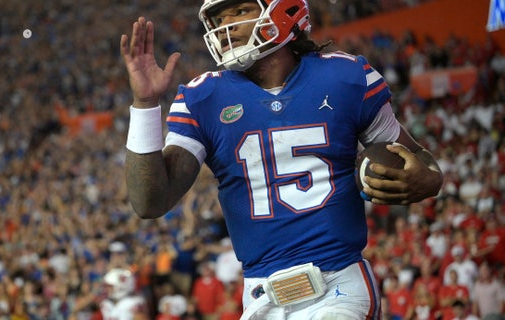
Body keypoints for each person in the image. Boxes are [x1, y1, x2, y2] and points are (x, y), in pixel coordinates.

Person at [120, 0, 443, 318]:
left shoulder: (345, 76)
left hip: (339, 286)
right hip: (261, 296)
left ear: (285, 11)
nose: (224, 26)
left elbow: (414, 157)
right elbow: (150, 202)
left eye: (240, 11)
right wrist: (146, 104)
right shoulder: (202, 97)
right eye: (218, 18)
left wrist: (428, 178)